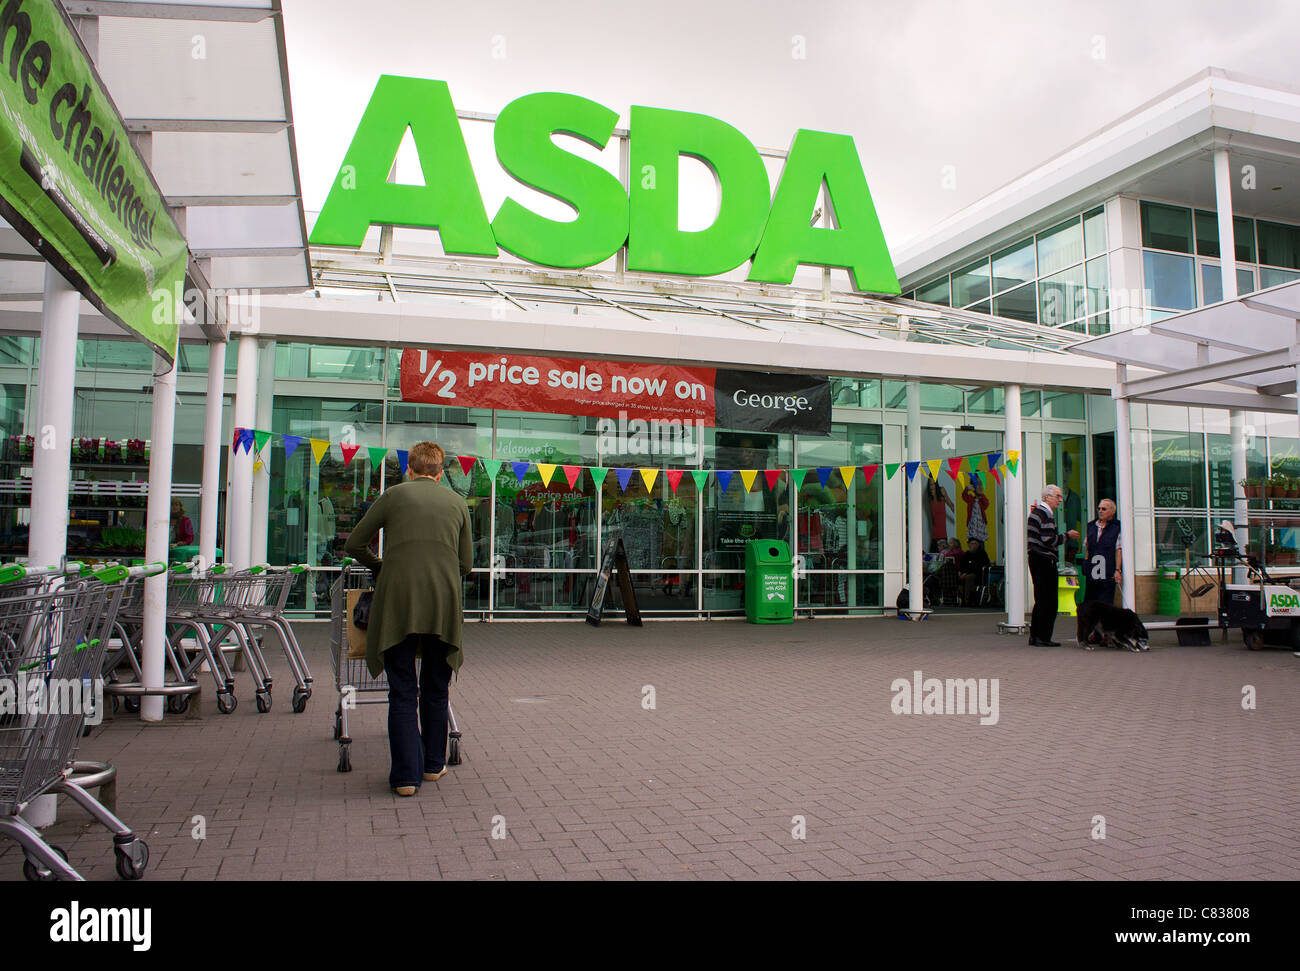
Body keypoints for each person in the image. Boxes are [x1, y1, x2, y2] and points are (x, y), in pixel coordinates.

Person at [344, 442, 473, 797]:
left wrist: (383, 566)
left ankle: (405, 778)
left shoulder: (393, 496)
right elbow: (466, 564)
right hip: (442, 606)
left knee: (403, 691)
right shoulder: (457, 503)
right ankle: (433, 766)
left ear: (410, 469)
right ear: (440, 471)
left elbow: (354, 544)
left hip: (398, 605)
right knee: (436, 687)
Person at [1027, 484, 1079, 646]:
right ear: (1047, 497)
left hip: (1036, 559)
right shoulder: (1045, 514)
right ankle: (1043, 637)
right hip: (1044, 560)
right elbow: (1049, 539)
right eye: (1057, 496)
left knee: (1041, 599)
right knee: (1049, 600)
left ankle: (1035, 636)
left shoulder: (1037, 513)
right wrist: (1067, 536)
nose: (1060, 500)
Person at [1083, 498, 1122, 604]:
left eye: (1103, 509)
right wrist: (1086, 563)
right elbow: (1087, 547)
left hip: (1107, 570)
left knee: (1105, 602)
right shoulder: (1091, 526)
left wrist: (1118, 570)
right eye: (1099, 508)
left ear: (1112, 511)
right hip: (1092, 570)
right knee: (1090, 601)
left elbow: (1118, 549)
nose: (1100, 511)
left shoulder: (1117, 527)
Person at [958, 539, 990, 607]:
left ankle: (967, 601)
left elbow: (978, 566)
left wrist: (966, 573)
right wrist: (960, 572)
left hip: (978, 574)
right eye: (971, 543)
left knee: (968, 577)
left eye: (974, 543)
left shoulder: (981, 553)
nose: (972, 545)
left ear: (978, 545)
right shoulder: (967, 553)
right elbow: (962, 564)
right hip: (966, 573)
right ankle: (953, 598)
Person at [927, 479, 954, 553]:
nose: (932, 487)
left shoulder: (942, 490)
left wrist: (957, 517)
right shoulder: (930, 497)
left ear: (936, 484)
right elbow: (933, 518)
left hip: (943, 534)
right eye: (930, 485)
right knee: (933, 558)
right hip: (934, 534)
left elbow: (951, 505)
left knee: (943, 558)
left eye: (933, 484)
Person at [962, 477, 990, 546]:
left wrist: (981, 494)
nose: (980, 486)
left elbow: (986, 504)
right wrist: (967, 488)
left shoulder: (982, 500)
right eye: (978, 484)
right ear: (973, 486)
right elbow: (964, 496)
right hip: (972, 531)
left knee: (981, 548)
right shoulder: (971, 499)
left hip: (980, 531)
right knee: (973, 548)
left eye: (981, 484)